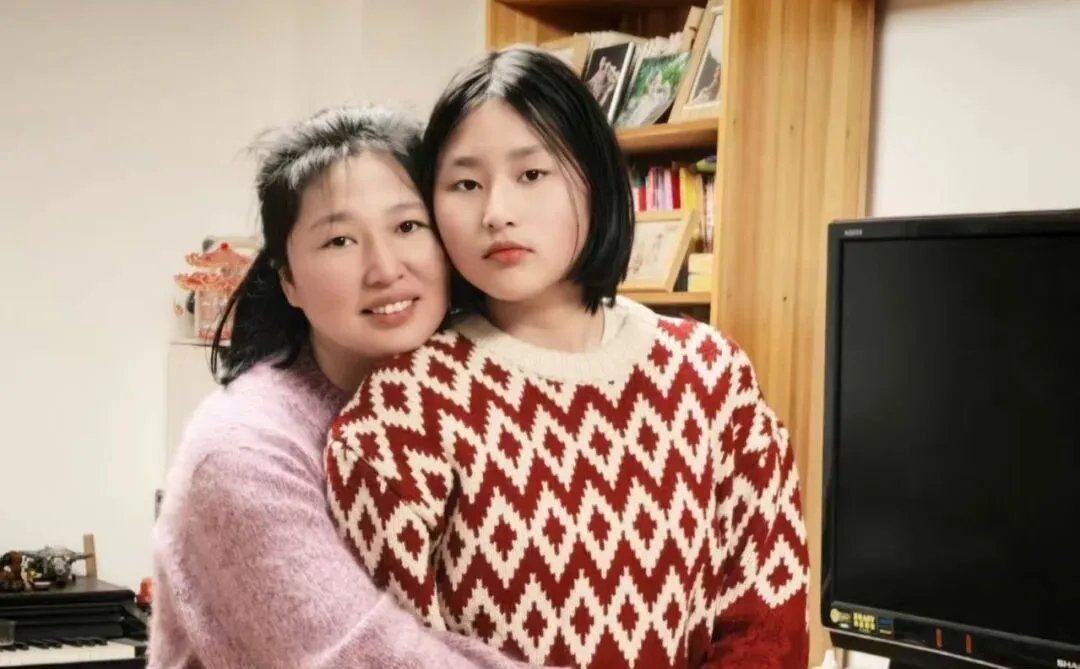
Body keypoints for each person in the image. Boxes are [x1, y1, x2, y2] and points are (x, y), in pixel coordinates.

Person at [325, 48, 810, 669]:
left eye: (532, 174)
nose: (496, 212)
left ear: (594, 179)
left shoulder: (713, 375)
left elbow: (767, 629)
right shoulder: (401, 412)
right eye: (465, 184)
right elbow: (388, 657)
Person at [150, 105, 538, 669]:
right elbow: (362, 656)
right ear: (288, 280)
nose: (385, 269)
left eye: (408, 227)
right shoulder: (241, 450)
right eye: (339, 241)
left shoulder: (468, 392)